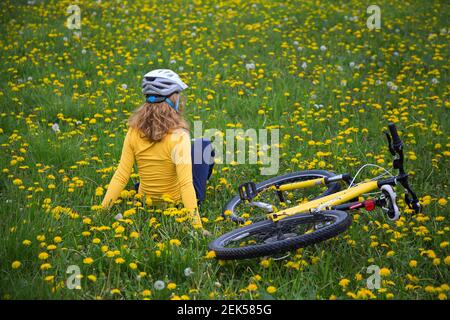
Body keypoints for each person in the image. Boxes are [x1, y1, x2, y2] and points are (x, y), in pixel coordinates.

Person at [101, 69, 214, 233]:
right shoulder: (179, 136)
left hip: (147, 200)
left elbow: (121, 175)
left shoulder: (133, 131)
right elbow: (185, 184)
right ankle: (201, 190)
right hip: (176, 202)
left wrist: (101, 211)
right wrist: (197, 228)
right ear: (173, 99)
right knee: (203, 145)